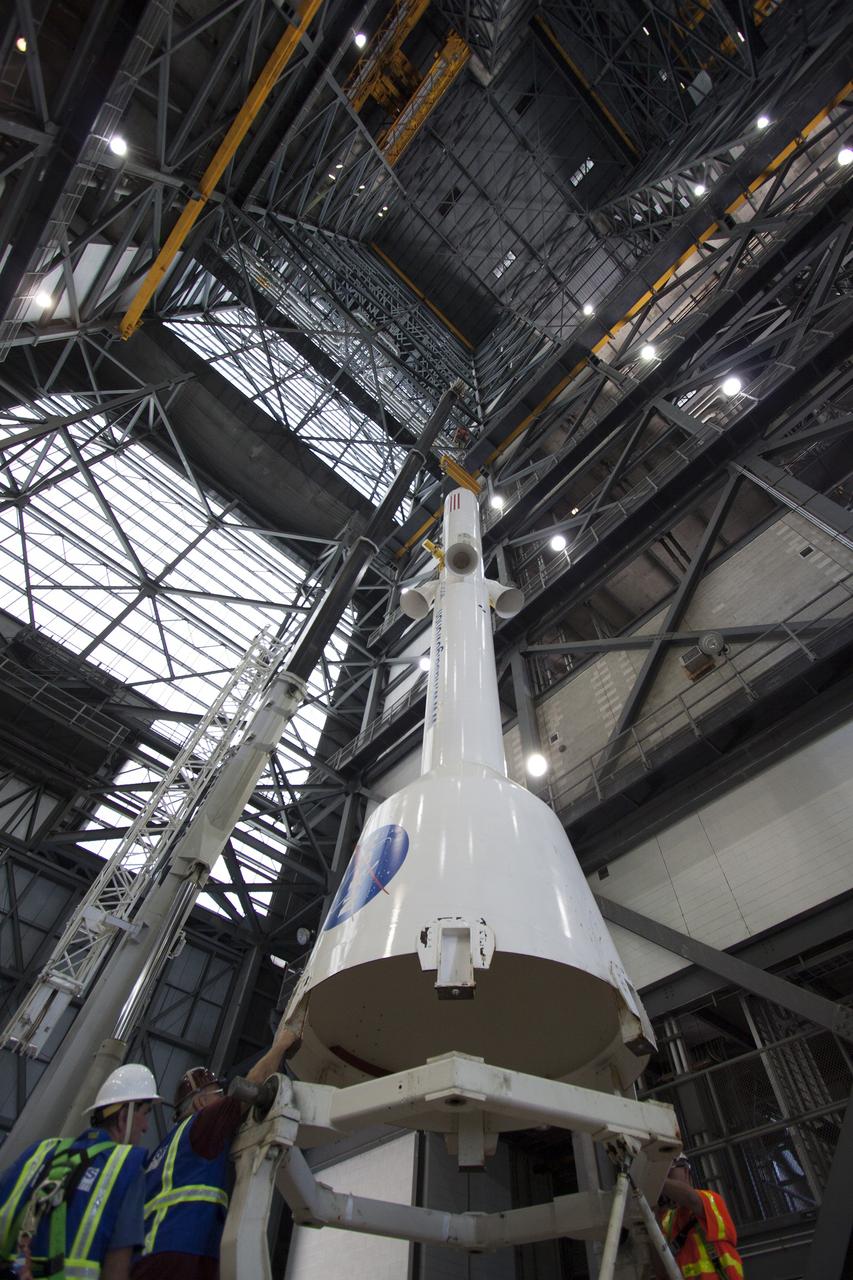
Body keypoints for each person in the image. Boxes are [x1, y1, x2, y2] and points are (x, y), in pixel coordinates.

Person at [132, 1020, 301, 1279]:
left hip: (152, 1256)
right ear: (201, 1102)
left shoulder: (164, 1151)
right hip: (180, 1255)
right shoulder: (200, 1125)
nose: (221, 1099)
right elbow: (248, 1089)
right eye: (216, 1093)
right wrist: (280, 1046)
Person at [0, 1063, 162, 1280]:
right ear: (125, 1116)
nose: (146, 1127)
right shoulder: (127, 1167)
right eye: (145, 1113)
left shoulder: (38, 1152)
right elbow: (117, 1267)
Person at [655, 1154, 744, 1278]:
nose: (665, 1178)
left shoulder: (711, 1199)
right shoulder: (666, 1222)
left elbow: (692, 1199)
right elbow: (661, 1273)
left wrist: (655, 1180)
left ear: (686, 1171)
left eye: (668, 1172)